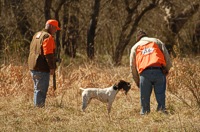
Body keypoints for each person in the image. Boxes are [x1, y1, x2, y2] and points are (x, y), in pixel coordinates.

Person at [130, 30, 172, 115]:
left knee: (144, 97)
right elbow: (167, 57)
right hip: (159, 71)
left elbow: (132, 66)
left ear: (138, 39)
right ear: (146, 36)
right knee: (160, 94)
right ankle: (161, 112)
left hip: (144, 74)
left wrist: (137, 81)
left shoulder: (135, 47)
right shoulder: (156, 41)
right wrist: (166, 69)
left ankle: (145, 114)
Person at [28, 19, 60, 107]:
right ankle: (39, 111)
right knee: (41, 90)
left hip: (33, 66)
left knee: (37, 89)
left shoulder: (37, 35)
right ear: (52, 27)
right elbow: (48, 54)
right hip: (41, 67)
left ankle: (37, 107)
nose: (56, 30)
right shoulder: (48, 37)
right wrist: (52, 67)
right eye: (55, 28)